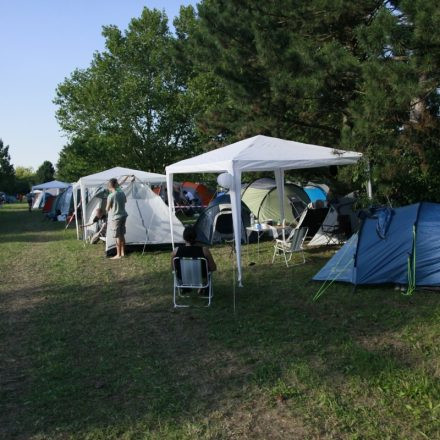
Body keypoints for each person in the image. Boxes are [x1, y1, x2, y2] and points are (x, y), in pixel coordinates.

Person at [171, 225, 216, 294]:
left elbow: (173, 269)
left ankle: (185, 287)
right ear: (195, 237)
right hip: (201, 280)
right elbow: (213, 268)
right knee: (208, 272)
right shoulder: (204, 250)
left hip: (183, 280)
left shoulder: (176, 251)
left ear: (184, 237)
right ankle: (203, 288)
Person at [106, 178, 128, 259]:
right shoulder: (122, 193)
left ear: (110, 186)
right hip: (124, 215)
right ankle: (122, 253)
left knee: (118, 236)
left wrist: (111, 206)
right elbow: (125, 201)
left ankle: (118, 255)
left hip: (116, 217)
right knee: (122, 235)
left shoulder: (110, 196)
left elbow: (107, 209)